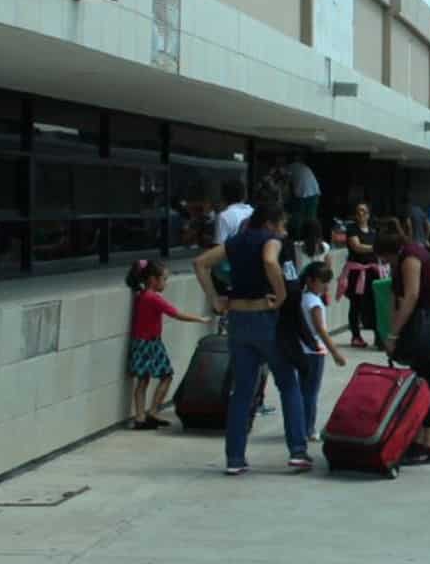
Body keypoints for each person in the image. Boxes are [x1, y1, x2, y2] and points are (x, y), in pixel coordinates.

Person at [192, 204, 311, 474]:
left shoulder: (235, 241)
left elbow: (200, 263)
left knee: (242, 392)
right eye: (282, 224)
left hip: (238, 320)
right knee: (288, 384)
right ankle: (297, 451)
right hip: (266, 319)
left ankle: (235, 458)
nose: (284, 231)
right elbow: (270, 260)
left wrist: (214, 298)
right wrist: (280, 295)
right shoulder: (272, 240)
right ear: (271, 223)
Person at [374, 222, 430, 464]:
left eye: (384, 257)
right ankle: (417, 442)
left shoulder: (410, 259)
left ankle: (429, 445)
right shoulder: (408, 256)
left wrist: (393, 335)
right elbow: (398, 299)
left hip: (429, 328)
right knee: (419, 384)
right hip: (425, 327)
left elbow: (411, 296)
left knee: (427, 384)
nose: (384, 262)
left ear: (391, 251)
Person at [124, 259, 207, 429]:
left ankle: (143, 415)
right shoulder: (153, 298)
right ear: (153, 280)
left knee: (145, 379)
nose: (166, 283)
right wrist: (199, 319)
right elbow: (175, 314)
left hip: (146, 342)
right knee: (161, 376)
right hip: (149, 344)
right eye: (164, 279)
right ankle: (149, 413)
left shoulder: (142, 295)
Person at [296, 260, 347, 440]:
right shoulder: (314, 302)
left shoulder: (302, 298)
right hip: (314, 351)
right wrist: (335, 353)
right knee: (311, 393)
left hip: (301, 349)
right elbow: (320, 329)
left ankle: (299, 426)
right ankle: (308, 429)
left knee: (302, 391)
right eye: (323, 282)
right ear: (311, 281)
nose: (326, 286)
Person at [340, 202, 384, 348]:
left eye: (364, 211)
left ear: (368, 214)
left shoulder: (373, 232)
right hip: (357, 272)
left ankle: (378, 336)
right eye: (358, 211)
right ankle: (356, 336)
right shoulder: (352, 229)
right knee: (356, 304)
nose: (361, 214)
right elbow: (356, 247)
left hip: (372, 272)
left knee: (374, 304)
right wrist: (375, 248)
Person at [284, 154, 320, 226]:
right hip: (314, 193)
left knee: (298, 219)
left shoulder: (289, 167)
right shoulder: (303, 166)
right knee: (310, 220)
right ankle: (311, 235)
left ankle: (298, 235)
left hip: (303, 194)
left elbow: (286, 184)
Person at [213, 179, 253, 245]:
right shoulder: (253, 211)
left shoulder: (224, 216)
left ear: (223, 196)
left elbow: (219, 245)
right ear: (244, 195)